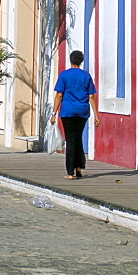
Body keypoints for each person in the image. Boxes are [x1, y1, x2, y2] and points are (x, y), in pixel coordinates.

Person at [50, 50, 99, 179]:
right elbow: (92, 96)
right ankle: (79, 167)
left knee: (70, 140)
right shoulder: (86, 76)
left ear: (71, 60)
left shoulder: (64, 75)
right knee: (78, 138)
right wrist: (96, 115)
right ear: (81, 61)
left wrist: (54, 113)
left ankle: (70, 172)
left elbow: (59, 95)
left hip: (67, 111)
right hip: (82, 111)